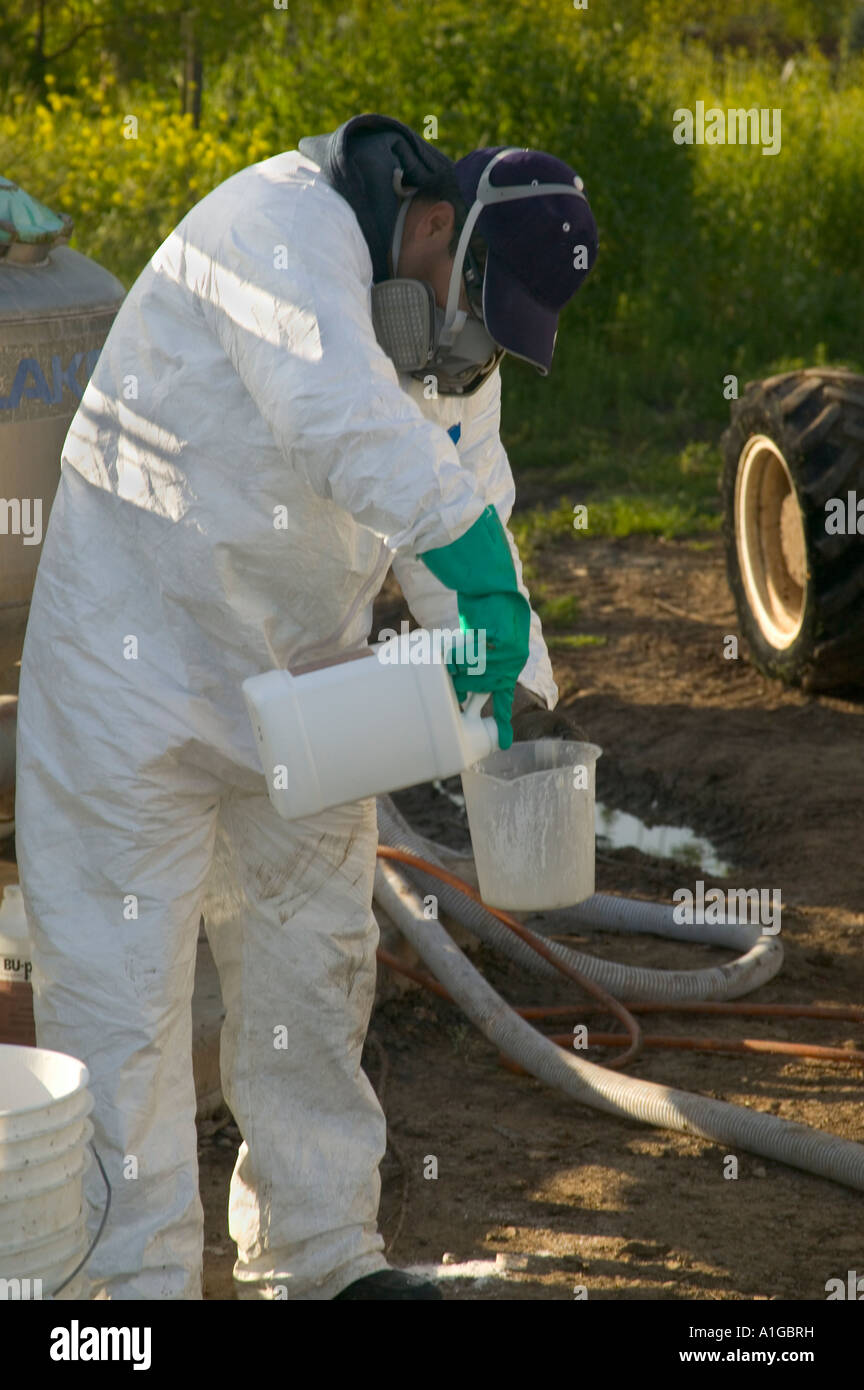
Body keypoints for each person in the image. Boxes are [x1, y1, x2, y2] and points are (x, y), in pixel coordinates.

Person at [15, 114, 598, 1301]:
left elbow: (461, 491)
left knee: (314, 972)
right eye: (475, 314)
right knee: (122, 1005)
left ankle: (323, 1259)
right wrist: (470, 570)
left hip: (304, 686)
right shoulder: (280, 229)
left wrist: (522, 688)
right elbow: (345, 422)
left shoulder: (446, 341)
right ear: (433, 227)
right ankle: (126, 1293)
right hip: (134, 688)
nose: (473, 354)